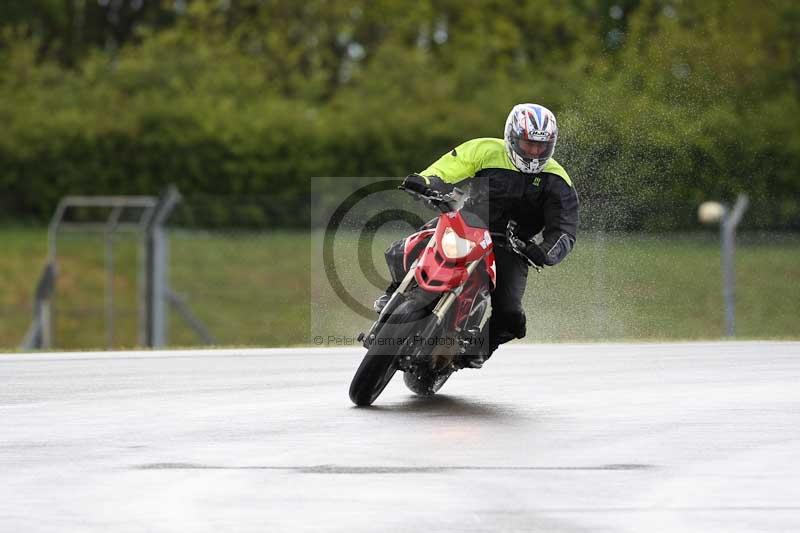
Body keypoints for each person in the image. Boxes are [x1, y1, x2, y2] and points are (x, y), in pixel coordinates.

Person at [377, 103, 579, 368]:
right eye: (528, 144)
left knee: (511, 314)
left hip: (511, 246)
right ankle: (394, 291)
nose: (534, 152)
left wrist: (545, 251)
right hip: (466, 224)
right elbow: (450, 166)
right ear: (512, 137)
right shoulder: (485, 149)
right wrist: (427, 182)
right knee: (403, 247)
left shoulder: (557, 179)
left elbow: (565, 229)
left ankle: (480, 348)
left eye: (541, 146)